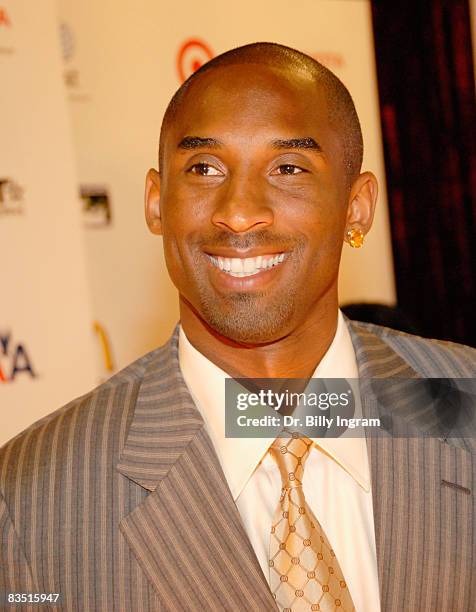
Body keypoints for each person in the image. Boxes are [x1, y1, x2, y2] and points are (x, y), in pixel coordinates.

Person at [1, 42, 475, 612]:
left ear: (357, 207)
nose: (240, 210)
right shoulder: (33, 496)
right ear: (157, 202)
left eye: (288, 168)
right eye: (204, 168)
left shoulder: (461, 402)